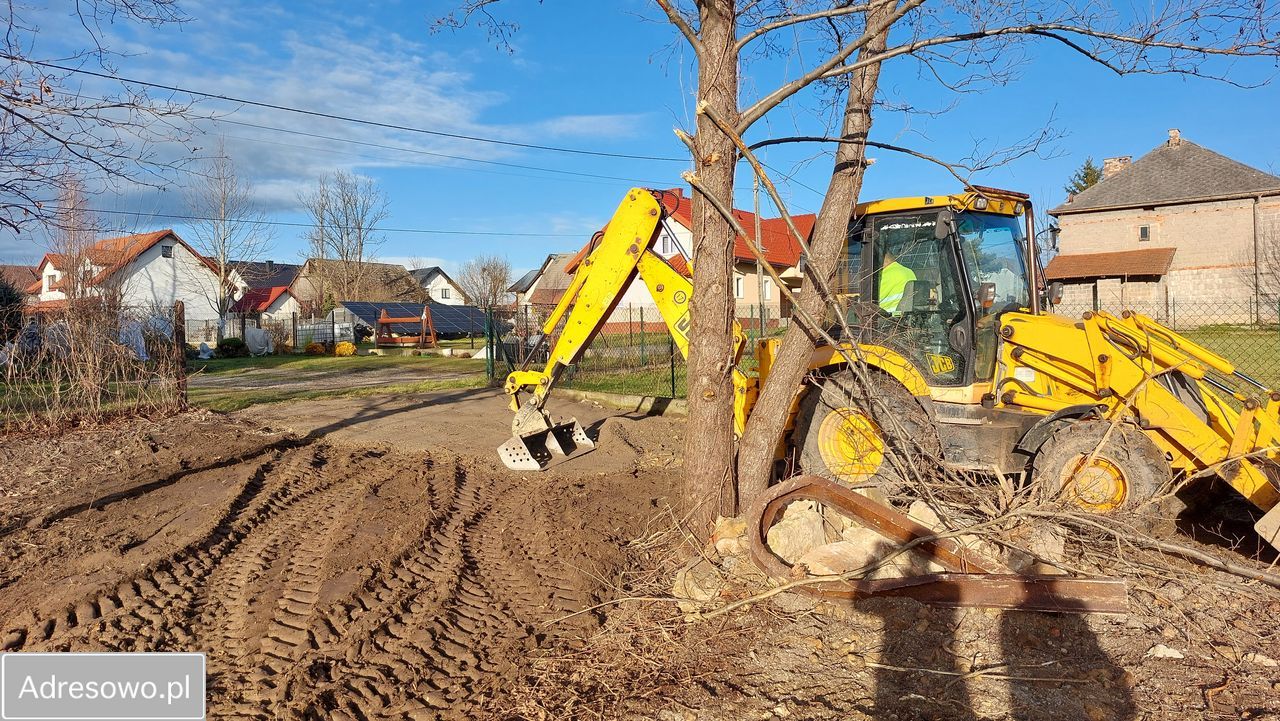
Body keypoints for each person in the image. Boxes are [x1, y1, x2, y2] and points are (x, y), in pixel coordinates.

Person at [878, 248, 916, 313]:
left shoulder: (883, 276)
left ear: (883, 260)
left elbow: (868, 300)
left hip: (887, 319)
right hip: (905, 316)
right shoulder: (909, 272)